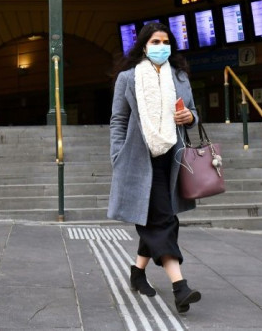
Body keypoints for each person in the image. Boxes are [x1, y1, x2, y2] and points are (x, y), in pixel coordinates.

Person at [108, 22, 201, 313]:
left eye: (165, 41)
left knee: (156, 217)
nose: (161, 46)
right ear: (144, 46)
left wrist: (190, 118)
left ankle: (137, 272)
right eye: (155, 41)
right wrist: (117, 155)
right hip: (139, 159)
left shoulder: (180, 77)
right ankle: (180, 286)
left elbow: (194, 113)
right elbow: (118, 121)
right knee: (163, 220)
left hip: (171, 158)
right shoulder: (128, 78)